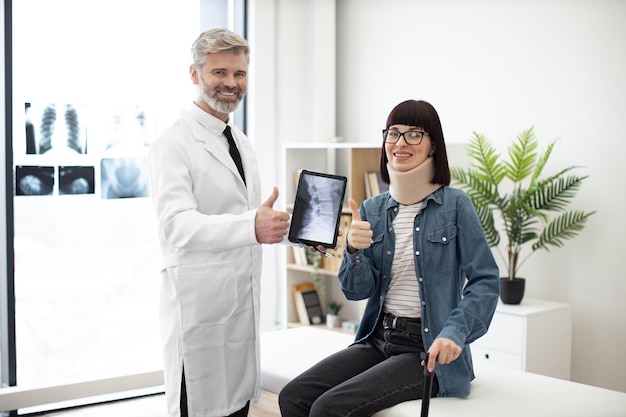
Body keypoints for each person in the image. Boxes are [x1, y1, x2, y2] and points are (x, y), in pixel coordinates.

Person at [278, 99, 500, 417]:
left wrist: (455, 333)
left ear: (433, 145)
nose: (400, 143)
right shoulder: (372, 209)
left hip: (426, 349)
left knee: (328, 409)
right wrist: (353, 251)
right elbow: (357, 291)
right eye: (393, 133)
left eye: (414, 134)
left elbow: (485, 281)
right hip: (378, 338)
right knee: (294, 397)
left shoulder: (455, 205)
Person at [148, 28, 290, 417]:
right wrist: (251, 227)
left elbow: (248, 217)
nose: (231, 83)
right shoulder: (173, 144)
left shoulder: (241, 142)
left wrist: (285, 227)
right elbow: (176, 225)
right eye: (220, 73)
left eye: (239, 74)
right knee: (202, 406)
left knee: (239, 407)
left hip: (239, 307)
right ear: (195, 74)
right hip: (199, 312)